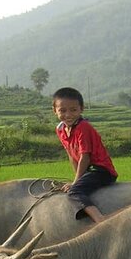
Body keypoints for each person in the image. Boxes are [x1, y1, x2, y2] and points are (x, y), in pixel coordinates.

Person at [53, 87, 118, 223]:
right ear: (55, 111)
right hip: (89, 171)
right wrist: (77, 178)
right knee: (75, 187)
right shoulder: (61, 130)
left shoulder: (83, 127)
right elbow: (72, 155)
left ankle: (100, 220)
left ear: (81, 109)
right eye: (62, 110)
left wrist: (76, 183)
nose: (68, 114)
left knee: (74, 192)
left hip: (100, 170)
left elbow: (85, 157)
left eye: (73, 110)